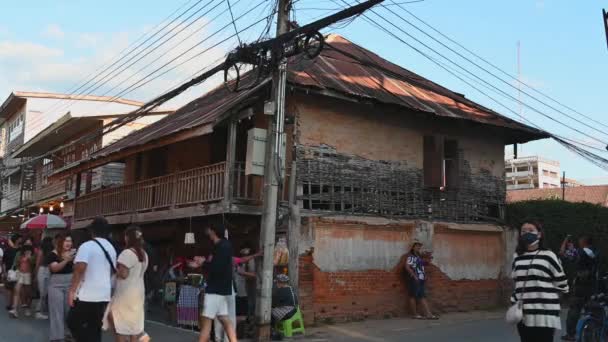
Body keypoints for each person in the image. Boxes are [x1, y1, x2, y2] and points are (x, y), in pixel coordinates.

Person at [511, 220, 569, 342]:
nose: (526, 233)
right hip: (524, 312)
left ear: (539, 234)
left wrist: (552, 299)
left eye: (531, 230)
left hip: (545, 312)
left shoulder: (548, 255)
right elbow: (516, 282)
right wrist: (514, 301)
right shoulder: (517, 256)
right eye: (523, 231)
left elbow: (562, 283)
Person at [67, 217, 117, 342]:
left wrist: (72, 291)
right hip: (103, 293)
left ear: (92, 231)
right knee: (95, 327)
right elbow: (112, 271)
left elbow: (79, 269)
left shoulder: (86, 246)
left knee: (72, 321)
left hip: (86, 294)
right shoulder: (111, 248)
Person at [109, 226, 150, 342]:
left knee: (120, 327)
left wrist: (114, 269)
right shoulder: (144, 254)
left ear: (127, 238)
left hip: (125, 294)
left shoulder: (126, 253)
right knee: (134, 328)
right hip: (138, 292)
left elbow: (123, 274)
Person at [198, 224, 237, 342]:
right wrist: (203, 263)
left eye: (208, 230)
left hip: (215, 289)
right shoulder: (224, 245)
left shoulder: (221, 246)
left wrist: (203, 263)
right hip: (222, 289)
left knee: (206, 322)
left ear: (213, 231)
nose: (207, 232)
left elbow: (217, 267)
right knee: (224, 319)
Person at [562, 235, 597, 341]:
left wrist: (565, 242)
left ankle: (570, 334)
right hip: (592, 285)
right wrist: (573, 248)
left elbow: (563, 253)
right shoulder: (594, 252)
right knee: (591, 309)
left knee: (574, 309)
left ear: (584, 242)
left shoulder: (579, 252)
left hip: (580, 285)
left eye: (580, 240)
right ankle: (592, 333)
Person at [47, 234, 75, 342]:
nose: (68, 243)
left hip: (70, 283)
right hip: (56, 285)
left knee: (69, 311)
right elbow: (54, 268)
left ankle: (68, 333)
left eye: (70, 240)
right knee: (57, 312)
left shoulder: (74, 254)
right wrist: (66, 260)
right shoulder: (52, 254)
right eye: (65, 240)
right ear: (60, 242)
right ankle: (57, 337)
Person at [403, 242, 437, 320]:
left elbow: (424, 264)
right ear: (413, 247)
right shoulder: (411, 257)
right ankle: (415, 314)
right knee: (413, 296)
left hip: (421, 279)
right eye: (417, 246)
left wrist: (429, 258)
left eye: (419, 246)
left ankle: (429, 314)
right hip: (415, 279)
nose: (419, 248)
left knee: (422, 296)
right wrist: (414, 276)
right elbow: (407, 267)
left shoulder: (418, 257)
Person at [9, 245, 34, 318]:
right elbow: (16, 263)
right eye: (26, 250)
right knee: (17, 290)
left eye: (29, 250)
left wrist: (29, 257)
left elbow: (33, 263)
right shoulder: (19, 254)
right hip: (20, 274)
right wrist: (21, 259)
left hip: (28, 275)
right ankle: (14, 309)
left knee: (28, 293)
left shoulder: (32, 255)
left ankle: (27, 308)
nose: (27, 251)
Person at [35, 236, 54, 320]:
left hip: (42, 270)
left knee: (43, 292)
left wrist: (35, 274)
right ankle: (39, 311)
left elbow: (37, 263)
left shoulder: (42, 251)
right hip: (47, 270)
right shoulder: (51, 251)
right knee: (44, 292)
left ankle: (40, 310)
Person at [4, 234, 22, 311]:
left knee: (16, 289)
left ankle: (14, 305)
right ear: (16, 239)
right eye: (20, 238)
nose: (21, 240)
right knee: (10, 288)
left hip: (19, 271)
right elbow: (4, 262)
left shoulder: (21, 250)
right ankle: (10, 304)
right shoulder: (8, 250)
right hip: (10, 271)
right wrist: (4, 272)